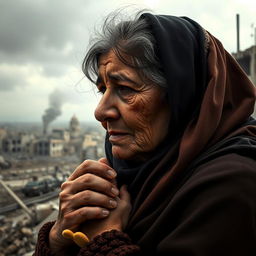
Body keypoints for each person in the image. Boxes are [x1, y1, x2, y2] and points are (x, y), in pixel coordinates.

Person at [34, 10, 256, 256]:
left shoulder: (233, 187)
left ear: (183, 96)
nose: (100, 111)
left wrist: (105, 243)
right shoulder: (132, 176)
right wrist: (57, 239)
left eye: (126, 89)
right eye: (103, 89)